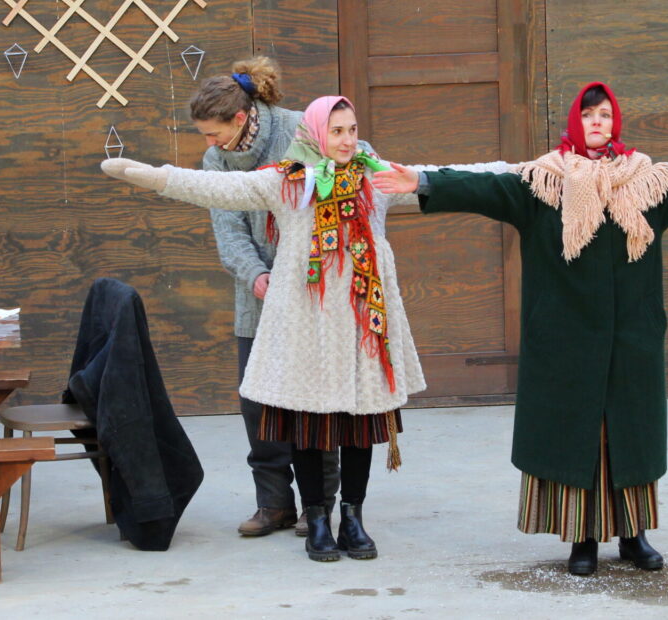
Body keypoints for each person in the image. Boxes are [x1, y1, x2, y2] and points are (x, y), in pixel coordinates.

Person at [372, 81, 668, 575]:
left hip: (632, 338)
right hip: (564, 340)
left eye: (606, 115)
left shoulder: (649, 182)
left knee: (628, 436)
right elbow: (482, 189)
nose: (597, 122)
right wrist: (422, 181)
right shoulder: (542, 183)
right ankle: (583, 540)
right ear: (576, 121)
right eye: (589, 114)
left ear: (615, 123)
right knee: (579, 437)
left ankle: (635, 536)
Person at [102, 95, 514, 561]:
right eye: (337, 131)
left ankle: (352, 517)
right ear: (317, 133)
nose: (347, 140)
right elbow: (216, 188)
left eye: (352, 130)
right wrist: (149, 175)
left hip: (359, 324)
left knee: (358, 425)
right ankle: (316, 518)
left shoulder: (374, 178)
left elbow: (453, 176)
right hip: (305, 325)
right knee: (306, 425)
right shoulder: (287, 181)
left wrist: (526, 170)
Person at [188, 56, 338, 538]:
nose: (209, 144)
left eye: (213, 134)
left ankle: (320, 504)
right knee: (258, 404)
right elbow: (229, 231)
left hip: (314, 293)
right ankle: (274, 505)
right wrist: (256, 275)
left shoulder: (301, 130)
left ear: (239, 118)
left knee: (315, 403)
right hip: (257, 302)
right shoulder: (217, 161)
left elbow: (357, 165)